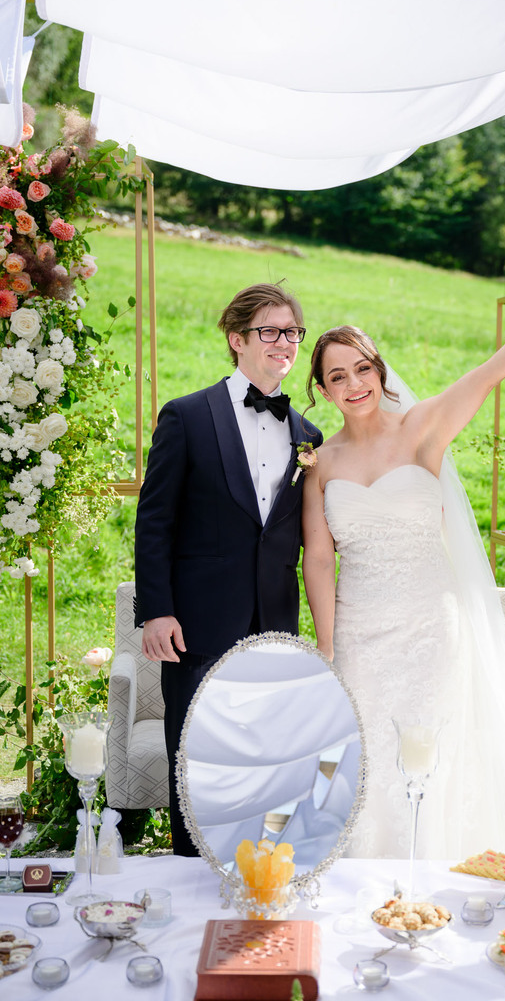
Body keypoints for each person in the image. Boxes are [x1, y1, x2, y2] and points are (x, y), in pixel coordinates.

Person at [301, 309, 505, 861]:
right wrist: (326, 644)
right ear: (321, 389)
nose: (354, 384)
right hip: (358, 629)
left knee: (431, 749)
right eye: (337, 376)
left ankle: (430, 875)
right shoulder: (320, 462)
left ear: (380, 371)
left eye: (362, 368)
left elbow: (491, 372)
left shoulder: (421, 429)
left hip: (430, 626)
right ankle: (364, 876)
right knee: (364, 751)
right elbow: (318, 560)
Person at [134, 282, 322, 855]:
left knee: (265, 758)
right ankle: (190, 879)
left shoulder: (308, 436)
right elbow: (154, 521)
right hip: (197, 621)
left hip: (273, 625)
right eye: (270, 331)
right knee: (195, 759)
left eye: (291, 332)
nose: (284, 343)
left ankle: (258, 877)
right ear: (236, 339)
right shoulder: (188, 416)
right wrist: (157, 611)